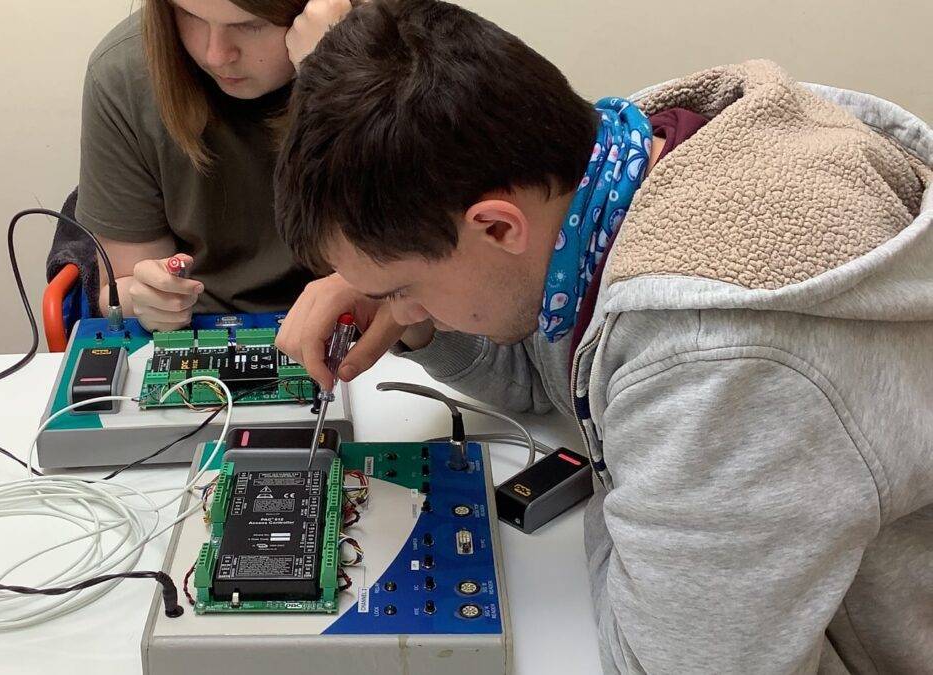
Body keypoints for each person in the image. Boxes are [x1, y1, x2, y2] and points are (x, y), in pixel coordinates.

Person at [273, 0, 933, 671]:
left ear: (498, 227)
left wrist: (618, 480)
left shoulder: (720, 361)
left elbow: (663, 662)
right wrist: (415, 321)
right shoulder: (624, 160)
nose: (397, 307)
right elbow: (548, 376)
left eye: (400, 287)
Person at [73, 0, 352, 331]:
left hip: (354, 325)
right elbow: (117, 286)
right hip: (198, 327)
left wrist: (336, 75)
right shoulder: (122, 73)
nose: (215, 55)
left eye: (250, 25)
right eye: (190, 15)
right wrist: (147, 296)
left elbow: (414, 267)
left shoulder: (399, 54)